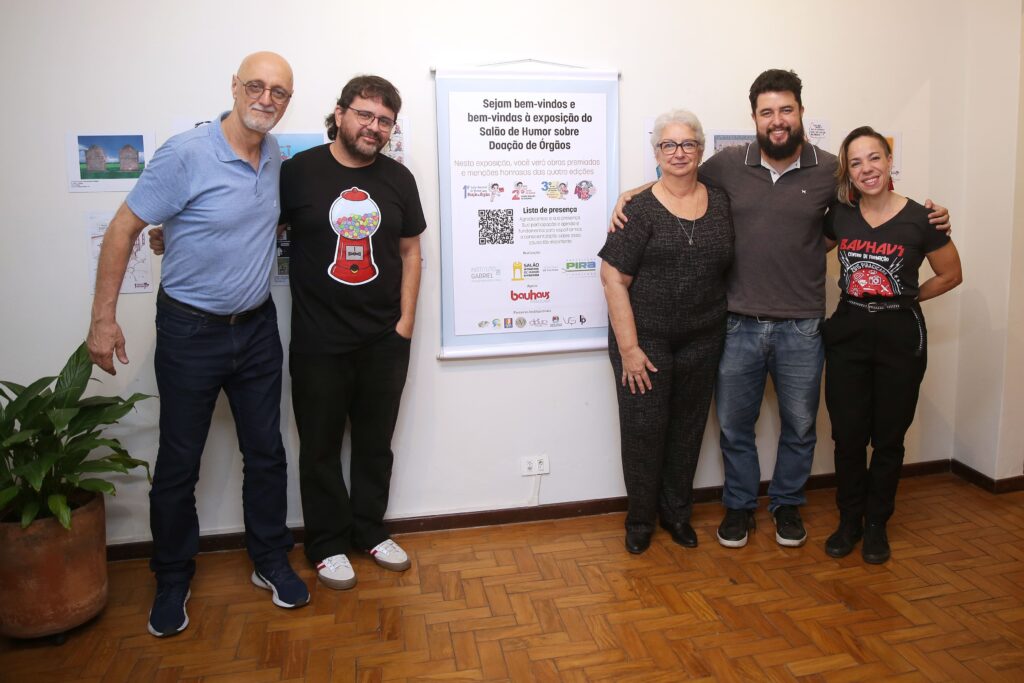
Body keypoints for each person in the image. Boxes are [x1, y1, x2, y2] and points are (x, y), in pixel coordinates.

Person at [611, 69, 951, 550]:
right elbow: (677, 179)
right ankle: (739, 508)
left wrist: (935, 217)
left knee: (800, 426)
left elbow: (879, 202)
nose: (777, 120)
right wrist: (633, 194)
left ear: (801, 114)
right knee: (734, 427)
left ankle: (788, 506)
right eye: (767, 111)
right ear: (754, 117)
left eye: (786, 110)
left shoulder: (832, 169)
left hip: (803, 327)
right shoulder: (728, 163)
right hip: (737, 324)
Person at [86, 52, 309, 638]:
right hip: (190, 332)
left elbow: (247, 226)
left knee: (267, 453)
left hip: (257, 328)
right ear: (234, 88)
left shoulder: (275, 156)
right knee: (178, 463)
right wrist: (103, 321)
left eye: (279, 92)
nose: (266, 99)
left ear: (289, 101)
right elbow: (124, 227)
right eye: (256, 86)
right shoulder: (186, 153)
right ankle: (171, 575)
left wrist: (179, 233)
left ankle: (268, 559)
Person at [280, 76, 425, 589]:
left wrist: (405, 325)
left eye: (385, 120)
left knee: (374, 443)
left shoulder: (398, 180)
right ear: (340, 113)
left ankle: (368, 530)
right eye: (365, 114)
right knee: (318, 447)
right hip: (318, 340)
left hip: (384, 339)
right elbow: (252, 226)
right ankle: (325, 543)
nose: (374, 127)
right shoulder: (298, 173)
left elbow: (411, 252)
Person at [822, 127, 961, 564]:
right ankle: (849, 521)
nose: (867, 169)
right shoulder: (839, 214)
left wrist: (907, 297)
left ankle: (877, 523)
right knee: (847, 436)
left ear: (889, 161)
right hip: (849, 332)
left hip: (900, 335)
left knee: (887, 437)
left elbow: (951, 274)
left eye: (875, 158)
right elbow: (800, 244)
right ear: (848, 171)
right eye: (857, 162)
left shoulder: (922, 218)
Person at [599, 110, 734, 554]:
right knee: (644, 431)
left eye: (688, 144)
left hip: (704, 337)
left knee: (688, 429)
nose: (679, 153)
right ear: (656, 152)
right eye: (668, 145)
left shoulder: (721, 201)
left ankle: (677, 514)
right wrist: (630, 349)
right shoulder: (637, 209)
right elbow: (612, 277)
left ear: (701, 149)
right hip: (644, 342)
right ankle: (639, 520)